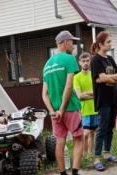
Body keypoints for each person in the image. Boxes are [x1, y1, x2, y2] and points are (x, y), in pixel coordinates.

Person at [42, 30, 83, 175]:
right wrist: (62, 109)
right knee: (79, 139)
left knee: (60, 142)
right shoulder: (69, 59)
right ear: (65, 43)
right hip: (70, 107)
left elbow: (44, 94)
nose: (73, 47)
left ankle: (63, 173)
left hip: (55, 113)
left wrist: (54, 112)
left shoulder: (47, 65)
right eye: (72, 43)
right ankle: (75, 172)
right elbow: (69, 85)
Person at [90, 31, 117, 171]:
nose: (110, 44)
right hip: (102, 99)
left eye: (110, 41)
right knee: (102, 129)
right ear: (100, 44)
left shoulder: (110, 59)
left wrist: (106, 78)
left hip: (113, 98)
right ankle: (96, 158)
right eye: (108, 42)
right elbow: (102, 78)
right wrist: (109, 78)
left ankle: (107, 153)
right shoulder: (95, 60)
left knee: (110, 128)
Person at [73, 52, 98, 156]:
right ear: (79, 63)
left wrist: (86, 94)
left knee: (92, 133)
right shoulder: (76, 77)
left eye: (87, 61)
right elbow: (79, 96)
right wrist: (93, 94)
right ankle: (84, 154)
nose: (85, 63)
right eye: (83, 61)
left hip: (95, 109)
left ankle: (90, 154)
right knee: (85, 133)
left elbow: (98, 93)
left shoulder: (94, 75)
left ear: (90, 61)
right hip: (84, 110)